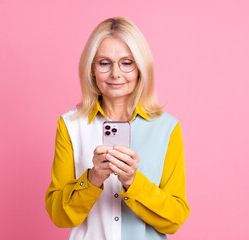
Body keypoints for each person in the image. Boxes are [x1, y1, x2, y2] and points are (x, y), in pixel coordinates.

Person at [45, 16, 190, 240]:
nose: (115, 73)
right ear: (91, 69)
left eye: (127, 63)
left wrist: (133, 181)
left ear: (140, 68)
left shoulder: (167, 128)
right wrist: (92, 179)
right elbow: (58, 215)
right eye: (104, 63)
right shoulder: (70, 126)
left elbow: (175, 218)